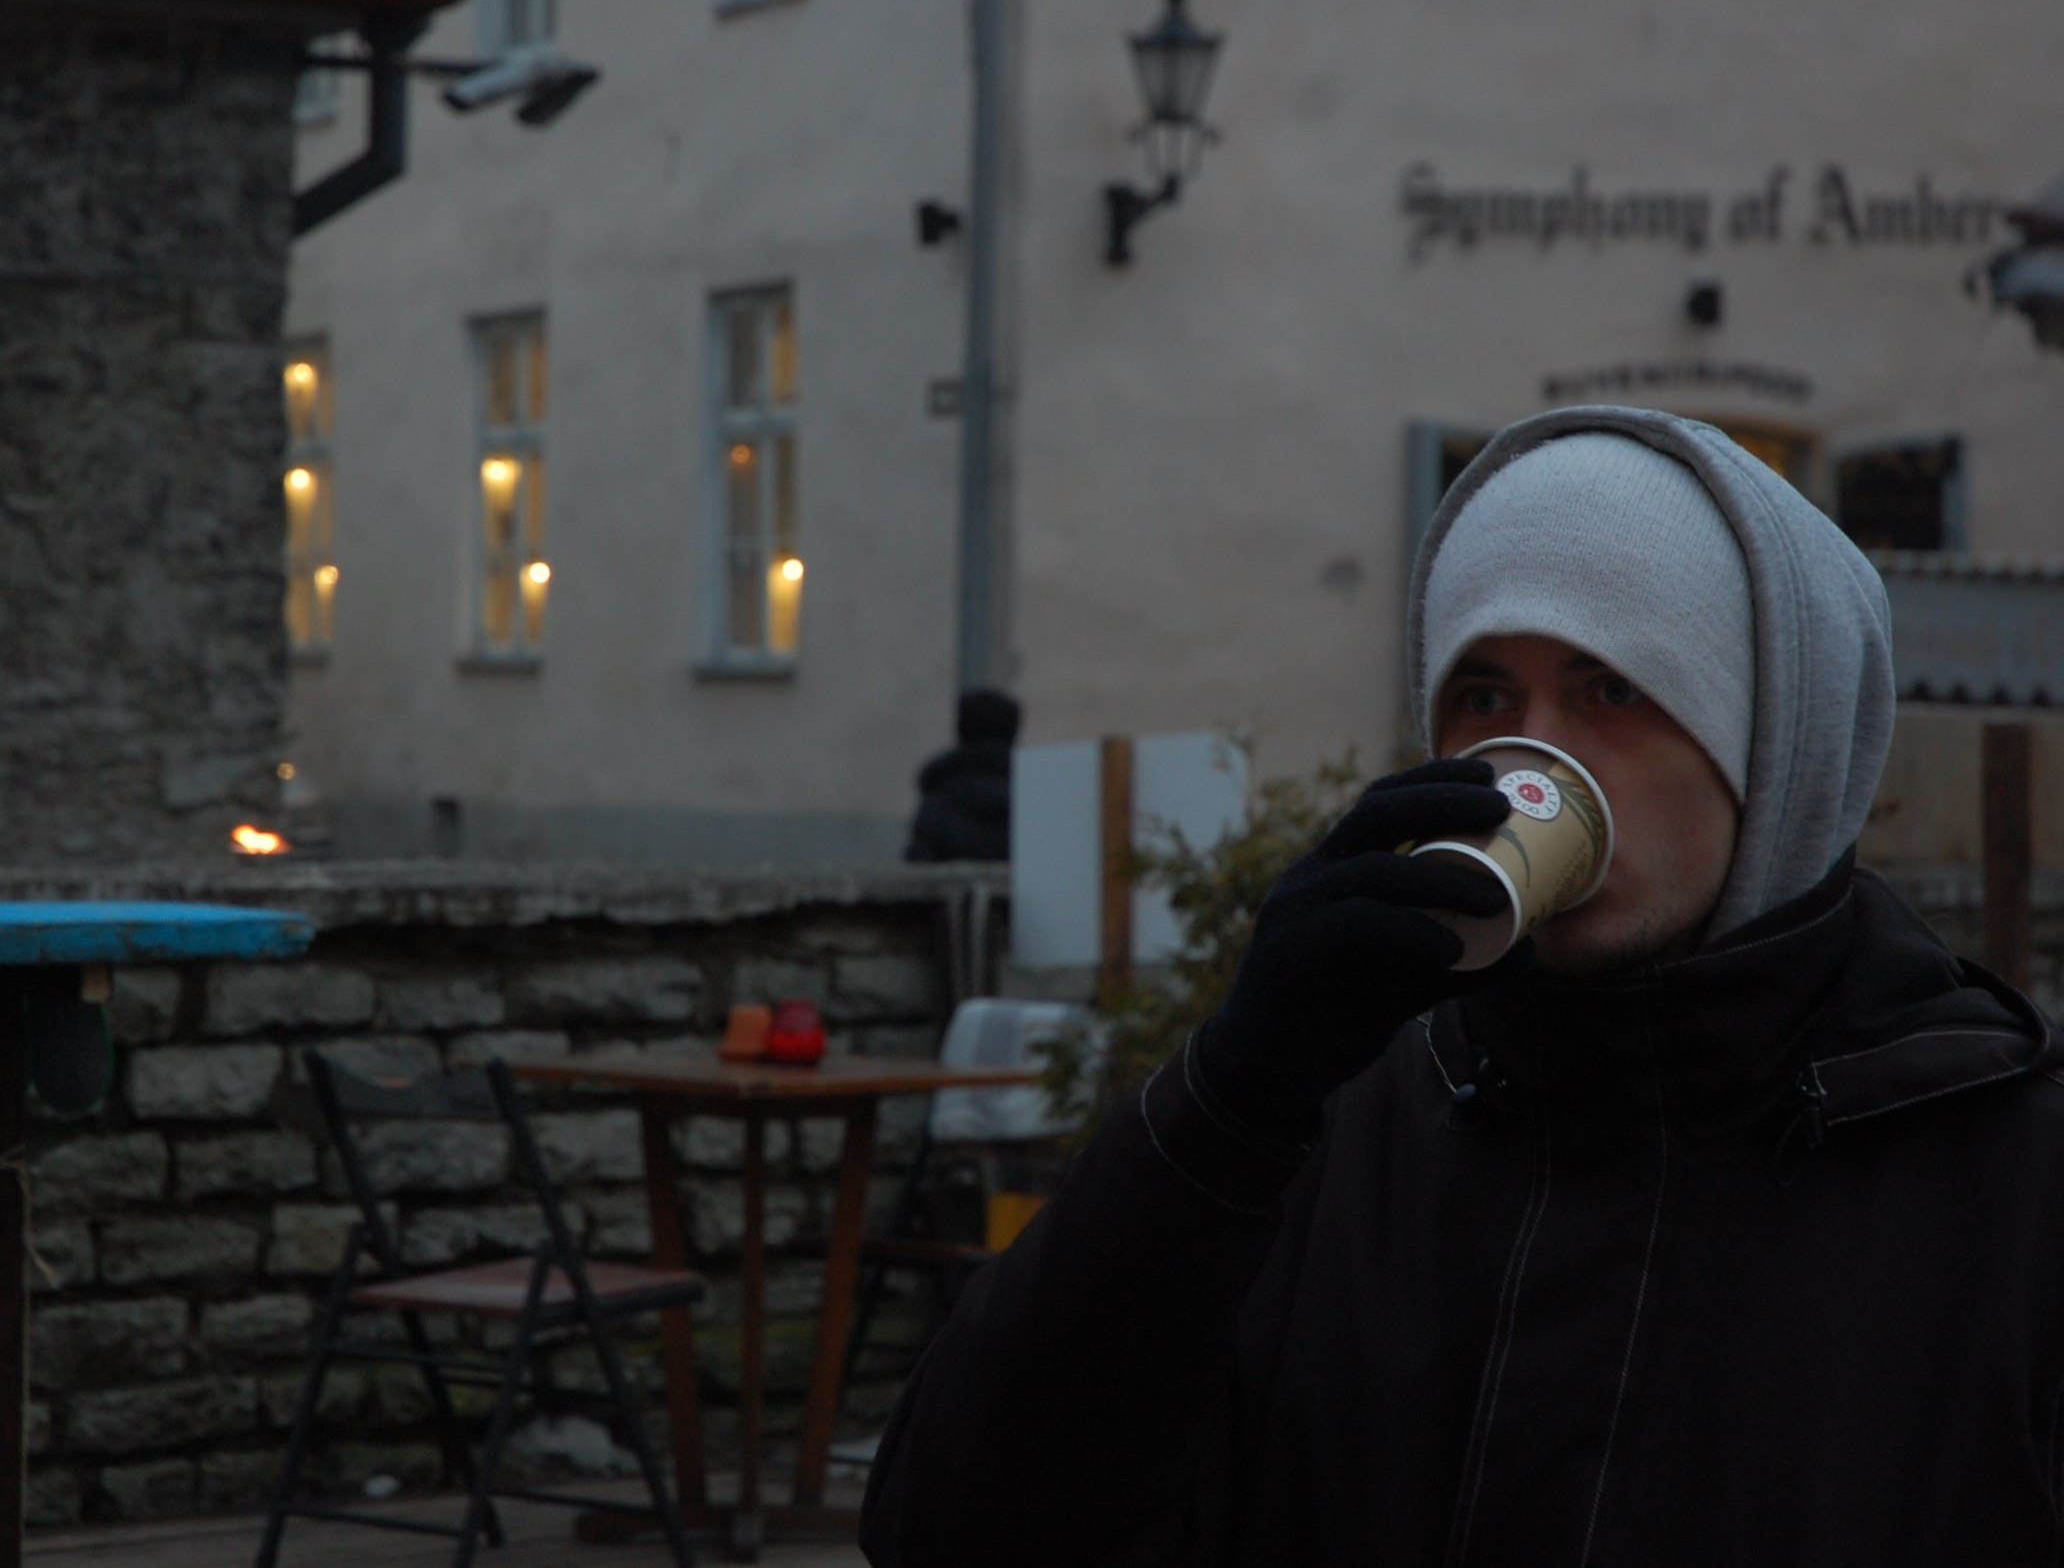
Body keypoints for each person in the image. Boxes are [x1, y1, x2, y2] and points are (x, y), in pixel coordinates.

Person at [862, 406, 2064, 1566]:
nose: (1535, 754)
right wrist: (1226, 1100)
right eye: (1484, 696)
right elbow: (956, 1526)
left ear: (1769, 739)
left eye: (1611, 688)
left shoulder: (1997, 1175)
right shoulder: (1343, 1123)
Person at [904, 688, 1021, 862]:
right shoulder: (1032, 799)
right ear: (1013, 732)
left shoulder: (938, 800)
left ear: (960, 729)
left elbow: (919, 864)